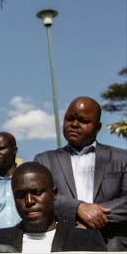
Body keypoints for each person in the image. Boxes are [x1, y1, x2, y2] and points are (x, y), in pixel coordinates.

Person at [34, 96, 127, 251]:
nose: (74, 125)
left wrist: (92, 218)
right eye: (69, 119)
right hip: (63, 246)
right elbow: (39, 198)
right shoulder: (44, 161)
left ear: (98, 127)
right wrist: (78, 208)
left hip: (112, 246)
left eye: (83, 121)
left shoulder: (122, 158)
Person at [0, 162, 107, 252]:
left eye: (36, 193)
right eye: (20, 195)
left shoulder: (86, 239)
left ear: (53, 194)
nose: (29, 201)